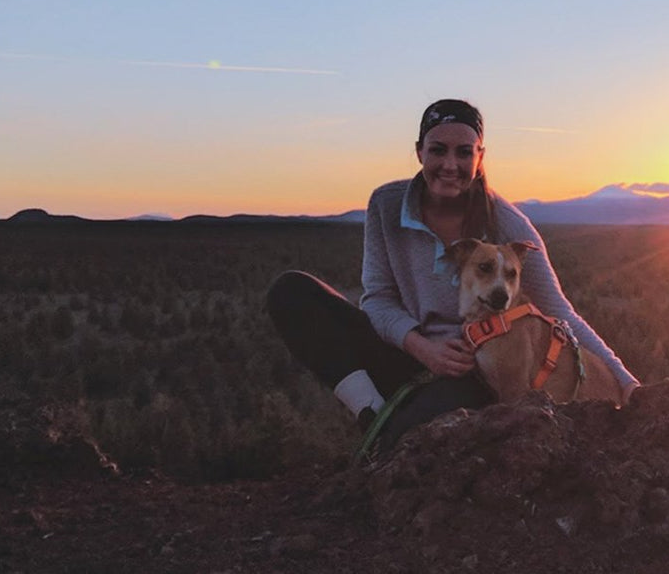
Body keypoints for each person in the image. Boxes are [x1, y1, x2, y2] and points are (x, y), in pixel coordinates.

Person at [266, 99, 639, 449]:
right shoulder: (387, 205)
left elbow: (560, 311)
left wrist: (628, 386)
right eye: (438, 150)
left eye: (464, 152)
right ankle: (372, 414)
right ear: (419, 152)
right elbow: (377, 300)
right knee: (292, 292)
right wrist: (422, 348)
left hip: (467, 370)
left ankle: (397, 432)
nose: (450, 164)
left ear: (480, 157)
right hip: (406, 347)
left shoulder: (509, 226)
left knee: (415, 439)